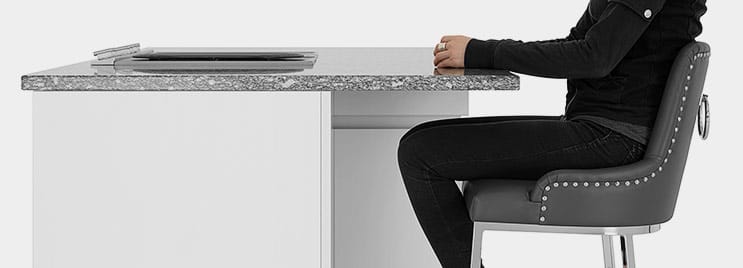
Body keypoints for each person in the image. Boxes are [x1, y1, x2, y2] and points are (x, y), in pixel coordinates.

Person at [396, 0, 707, 267]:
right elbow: (577, 46)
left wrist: (484, 52)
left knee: (420, 153)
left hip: (611, 138)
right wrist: (480, 51)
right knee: (420, 143)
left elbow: (593, 58)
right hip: (600, 129)